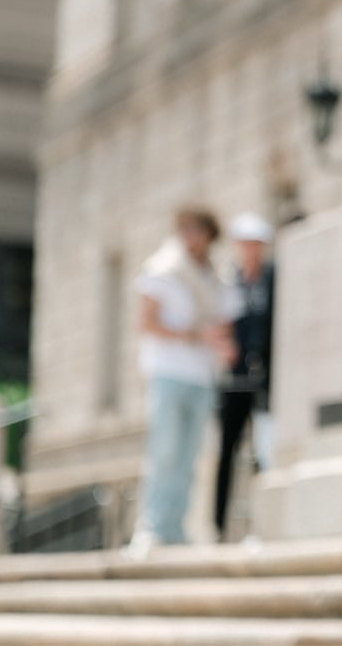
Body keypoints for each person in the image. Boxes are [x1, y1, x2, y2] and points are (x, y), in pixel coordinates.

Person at [127, 205, 234, 558]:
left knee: (190, 456)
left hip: (201, 375)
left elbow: (222, 322)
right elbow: (146, 323)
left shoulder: (214, 277)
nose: (189, 236)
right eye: (184, 228)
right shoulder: (163, 268)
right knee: (164, 450)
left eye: (196, 229)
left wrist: (219, 341)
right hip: (168, 372)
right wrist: (193, 335)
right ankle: (151, 528)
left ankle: (175, 529)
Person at [213, 212, 275, 542]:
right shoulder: (229, 282)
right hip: (234, 381)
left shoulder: (273, 279)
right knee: (227, 451)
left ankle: (261, 525)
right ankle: (219, 526)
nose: (251, 250)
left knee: (263, 451)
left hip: (265, 379)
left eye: (256, 244)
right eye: (246, 243)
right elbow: (219, 323)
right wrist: (224, 347)